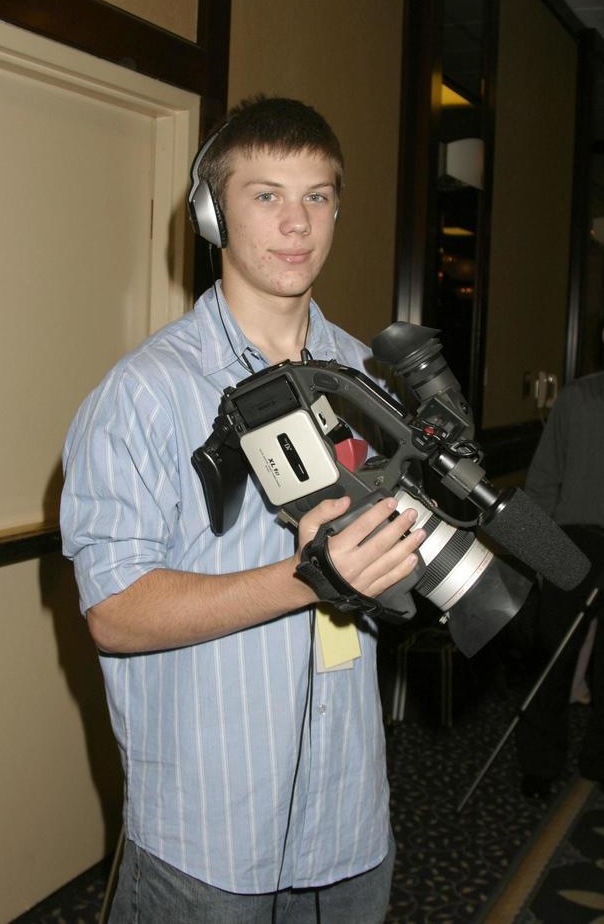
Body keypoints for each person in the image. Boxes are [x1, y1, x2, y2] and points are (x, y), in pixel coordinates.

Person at [60, 95, 425, 922]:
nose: (297, 224)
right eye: (266, 195)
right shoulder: (144, 396)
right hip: (208, 840)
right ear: (212, 213)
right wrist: (309, 577)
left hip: (350, 818)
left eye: (318, 196)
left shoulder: (366, 376)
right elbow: (115, 613)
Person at [515, 371, 604, 798]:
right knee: (551, 655)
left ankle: (599, 759)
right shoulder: (578, 397)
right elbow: (545, 475)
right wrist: (538, 551)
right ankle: (538, 764)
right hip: (574, 541)